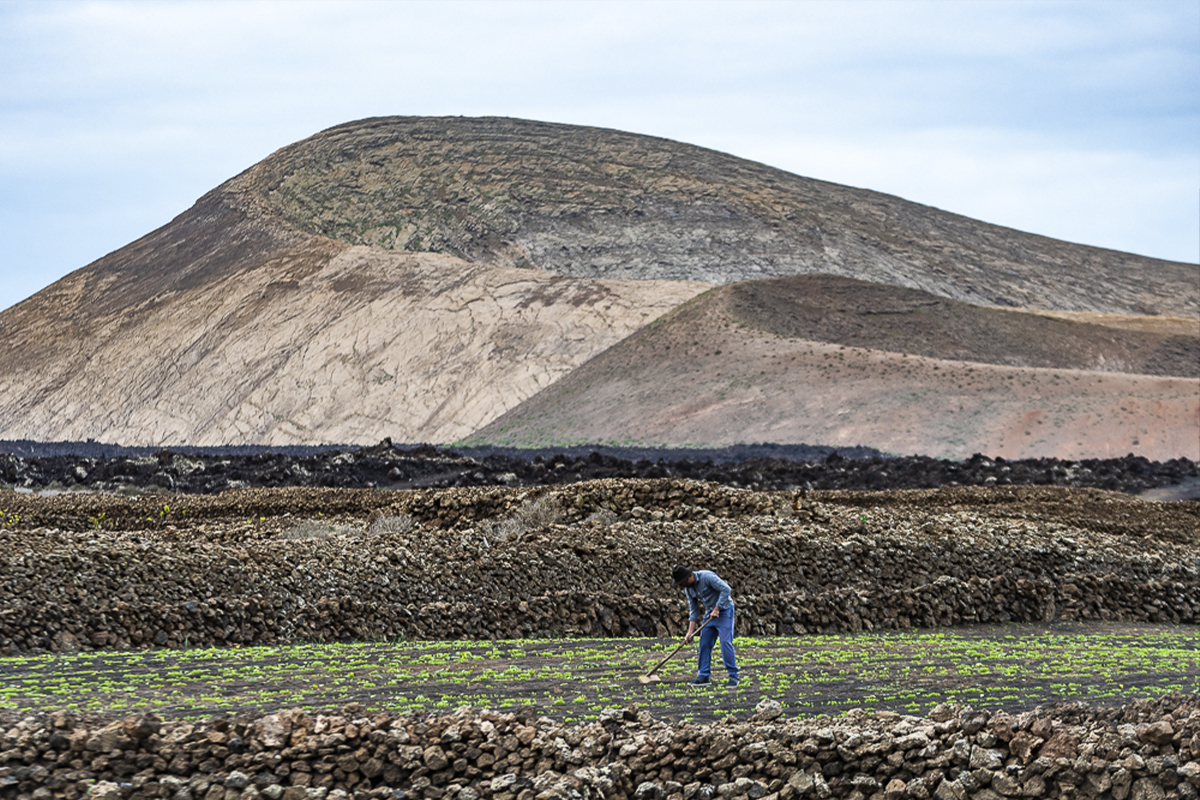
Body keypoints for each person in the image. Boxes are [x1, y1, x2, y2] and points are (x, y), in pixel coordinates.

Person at [672, 564, 740, 687]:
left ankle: (733, 676)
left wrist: (717, 608)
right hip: (710, 614)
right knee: (704, 643)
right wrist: (690, 632)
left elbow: (726, 590)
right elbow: (694, 610)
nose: (682, 586)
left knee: (725, 642)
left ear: (689, 577)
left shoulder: (707, 577)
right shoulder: (689, 589)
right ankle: (703, 676)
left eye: (682, 582)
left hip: (724, 611)